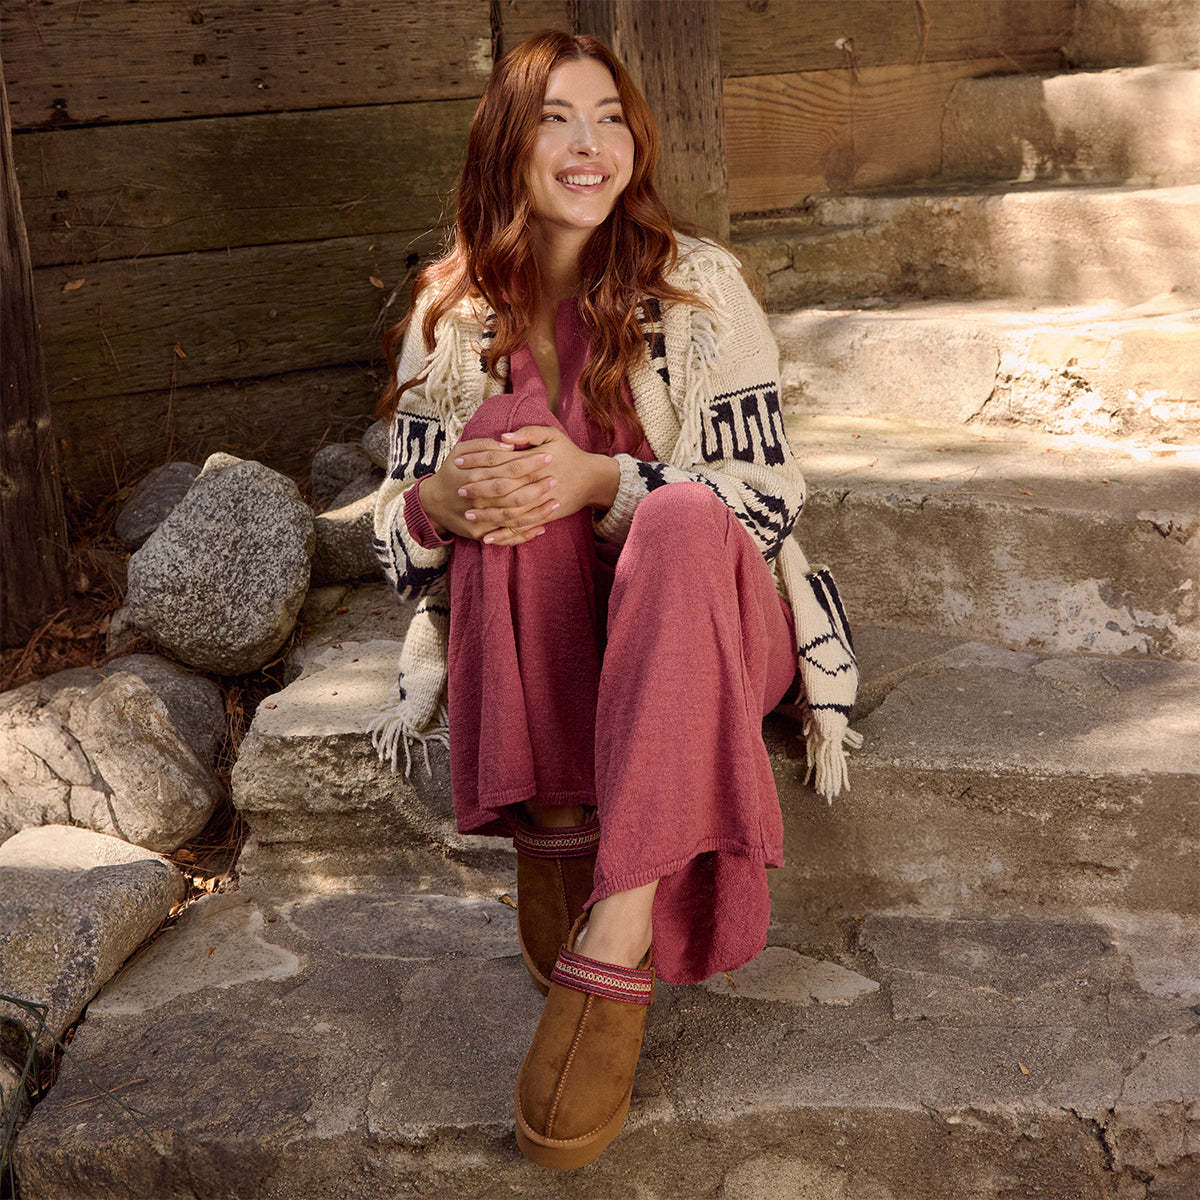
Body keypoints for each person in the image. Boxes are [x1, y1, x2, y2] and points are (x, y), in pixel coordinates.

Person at [371, 30, 859, 1171]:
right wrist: (438, 500)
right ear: (508, 144)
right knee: (499, 445)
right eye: (556, 119)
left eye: (609, 119)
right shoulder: (448, 317)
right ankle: (557, 827)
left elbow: (765, 500)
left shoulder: (698, 285)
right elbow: (397, 544)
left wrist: (603, 481)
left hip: (705, 619)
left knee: (679, 517)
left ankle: (622, 911)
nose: (589, 145)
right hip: (545, 638)